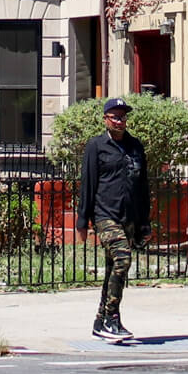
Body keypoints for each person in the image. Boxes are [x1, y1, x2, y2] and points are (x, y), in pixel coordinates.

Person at [76, 96, 150, 342]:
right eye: (115, 116)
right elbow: (88, 183)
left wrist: (144, 223)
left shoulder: (135, 146)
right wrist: (82, 220)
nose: (120, 121)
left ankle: (99, 320)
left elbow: (143, 187)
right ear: (105, 119)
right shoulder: (96, 146)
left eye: (123, 116)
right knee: (122, 259)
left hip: (128, 216)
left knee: (112, 270)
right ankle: (112, 318)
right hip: (104, 214)